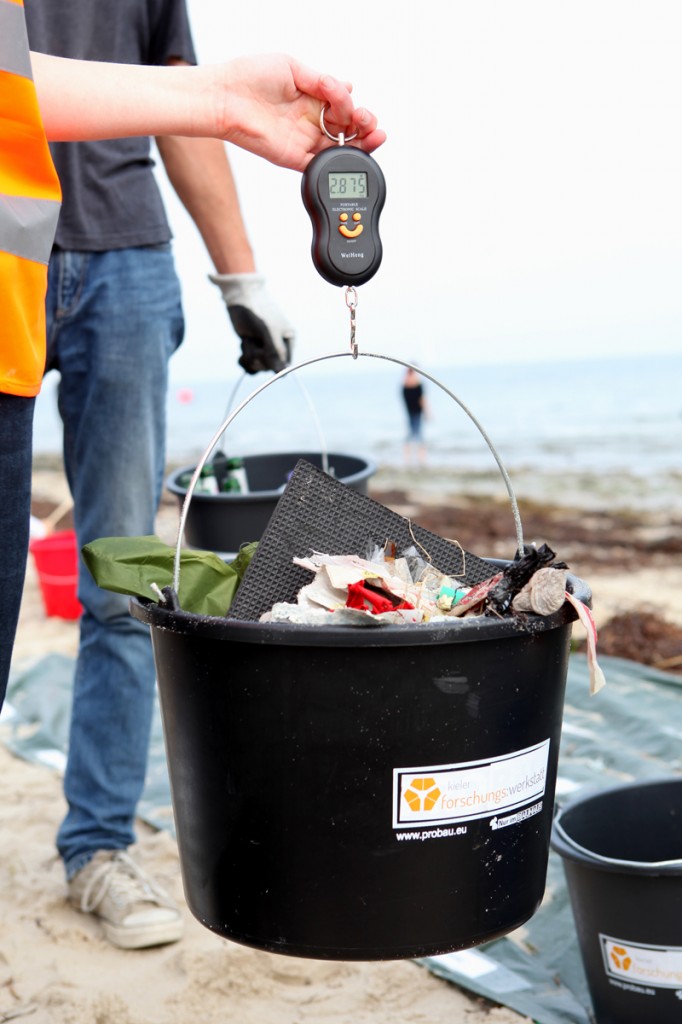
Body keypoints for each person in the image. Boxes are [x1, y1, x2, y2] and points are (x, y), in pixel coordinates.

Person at [1, 0, 385, 949]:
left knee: (126, 579)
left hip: (125, 263)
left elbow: (185, 104)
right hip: (8, 247)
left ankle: (96, 848)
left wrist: (240, 274)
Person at [401, 366, 428, 466]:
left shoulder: (405, 384)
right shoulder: (417, 384)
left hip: (412, 412)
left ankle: (409, 459)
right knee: (418, 436)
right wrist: (427, 412)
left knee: (412, 435)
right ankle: (420, 459)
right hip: (415, 413)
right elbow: (422, 400)